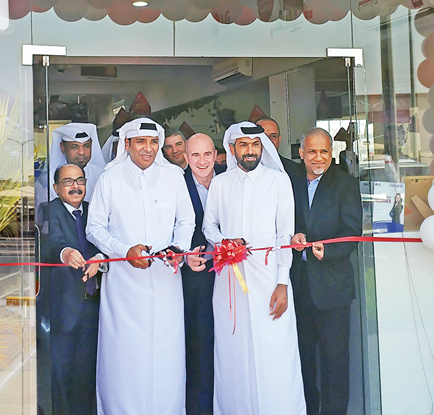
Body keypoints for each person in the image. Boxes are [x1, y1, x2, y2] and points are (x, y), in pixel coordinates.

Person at [86, 118, 197, 415]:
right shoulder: (110, 178)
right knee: (124, 357)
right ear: (127, 144)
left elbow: (186, 221)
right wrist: (124, 251)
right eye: (140, 142)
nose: (148, 149)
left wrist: (178, 248)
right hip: (124, 285)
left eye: (152, 142)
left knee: (166, 356)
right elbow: (94, 228)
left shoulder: (174, 176)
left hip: (166, 282)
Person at [203, 123, 307, 415]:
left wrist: (282, 282)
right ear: (233, 148)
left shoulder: (278, 182)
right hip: (229, 282)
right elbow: (208, 225)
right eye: (244, 145)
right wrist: (222, 241)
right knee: (233, 351)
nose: (250, 150)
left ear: (263, 147)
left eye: (255, 145)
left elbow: (285, 236)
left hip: (269, 280)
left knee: (274, 352)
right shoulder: (220, 183)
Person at [289, 128, 363, 415]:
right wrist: (294, 235)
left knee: (334, 362)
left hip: (333, 288)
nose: (317, 158)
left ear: (331, 154)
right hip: (299, 286)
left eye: (323, 152)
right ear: (302, 153)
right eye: (312, 152)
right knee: (303, 360)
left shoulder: (345, 184)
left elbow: (352, 232)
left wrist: (328, 251)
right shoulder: (291, 182)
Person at [37, 163, 103, 415]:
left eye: (80, 181)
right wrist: (66, 252)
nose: (75, 186)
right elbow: (50, 242)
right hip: (63, 307)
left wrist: (99, 258)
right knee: (61, 370)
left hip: (94, 303)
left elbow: (105, 240)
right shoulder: (46, 210)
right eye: (68, 182)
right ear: (56, 187)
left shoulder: (94, 210)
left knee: (88, 369)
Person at [181, 133, 217, 415]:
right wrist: (183, 255)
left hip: (232, 278)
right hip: (195, 281)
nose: (202, 161)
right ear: (185, 158)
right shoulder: (175, 184)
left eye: (207, 154)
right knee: (200, 346)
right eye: (195, 155)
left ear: (216, 155)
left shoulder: (231, 180)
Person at [49, 122, 106, 201]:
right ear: (62, 147)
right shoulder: (50, 179)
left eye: (86, 146)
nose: (82, 152)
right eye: (74, 147)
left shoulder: (102, 175)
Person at [258, 117, 306, 183]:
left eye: (273, 136)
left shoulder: (295, 170)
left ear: (279, 139)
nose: (268, 141)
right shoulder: (243, 169)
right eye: (263, 136)